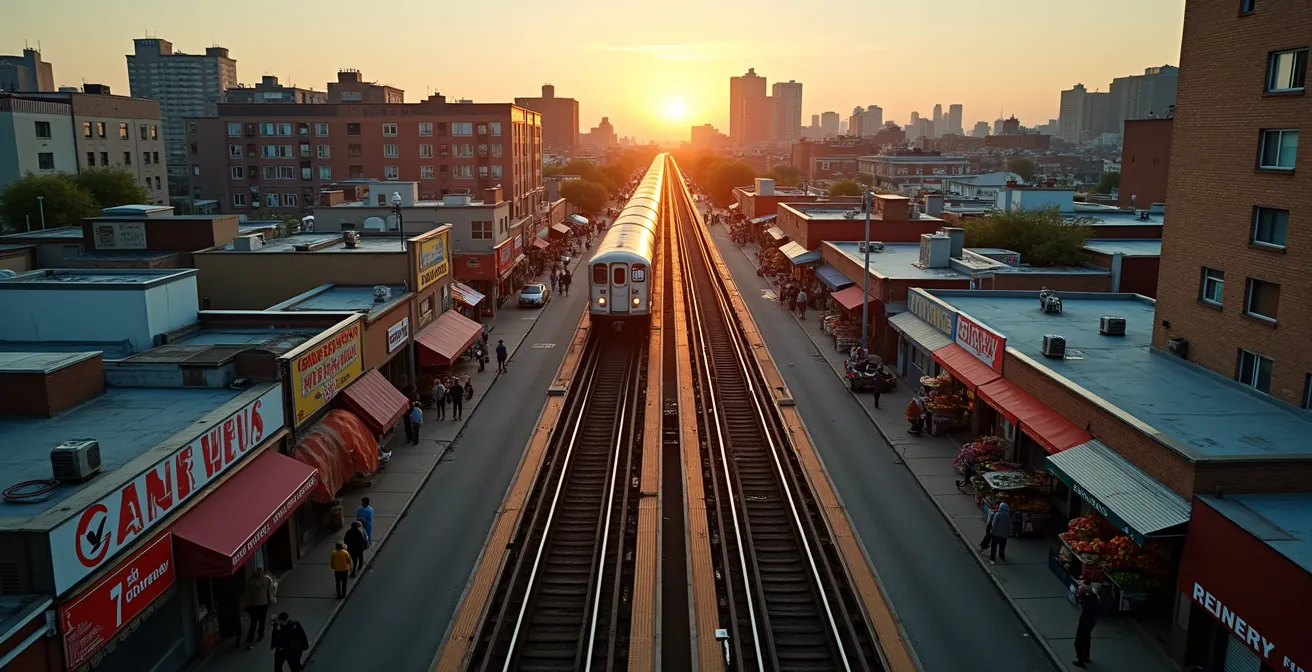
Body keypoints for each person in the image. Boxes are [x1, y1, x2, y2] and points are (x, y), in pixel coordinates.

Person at [243, 567, 276, 650]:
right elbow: (272, 588)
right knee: (262, 620)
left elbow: (248, 593)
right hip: (263, 603)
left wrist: (247, 604)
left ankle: (250, 639)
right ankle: (260, 633)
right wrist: (271, 599)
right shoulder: (266, 580)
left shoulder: (250, 581)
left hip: (253, 605)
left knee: (253, 623)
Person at [1073, 581, 1099, 667]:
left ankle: (1080, 660)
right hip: (1092, 621)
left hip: (1086, 621)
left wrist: (1080, 595)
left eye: (1081, 586)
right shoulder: (1093, 595)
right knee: (1087, 637)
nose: (1079, 587)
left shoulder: (1088, 598)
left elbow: (1083, 604)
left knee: (1078, 642)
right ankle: (1086, 656)